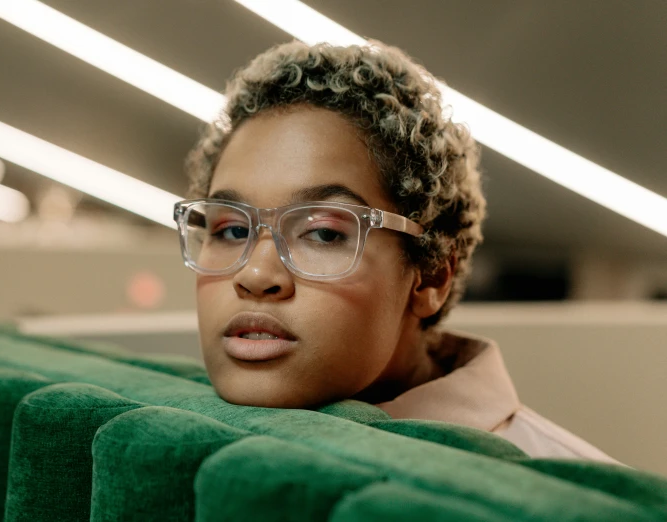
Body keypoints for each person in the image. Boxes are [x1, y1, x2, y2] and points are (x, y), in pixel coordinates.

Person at [174, 39, 615, 462]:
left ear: (431, 277)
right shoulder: (177, 442)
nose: (254, 274)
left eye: (324, 233)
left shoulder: (559, 497)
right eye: (231, 230)